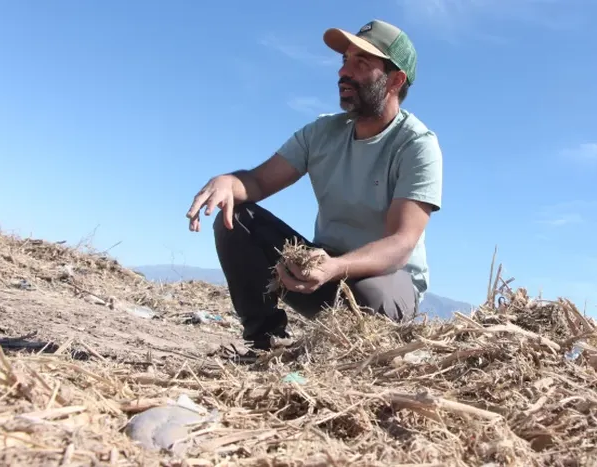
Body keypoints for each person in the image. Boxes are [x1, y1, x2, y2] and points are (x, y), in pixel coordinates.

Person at [185, 19, 443, 350]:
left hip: (385, 283)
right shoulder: (321, 132)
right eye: (344, 61)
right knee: (237, 218)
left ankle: (353, 347)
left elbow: (401, 242)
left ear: (395, 80)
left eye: (361, 63)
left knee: (368, 297)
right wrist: (228, 182)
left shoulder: (417, 145)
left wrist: (335, 268)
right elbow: (259, 181)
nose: (343, 73)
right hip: (319, 270)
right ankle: (264, 341)